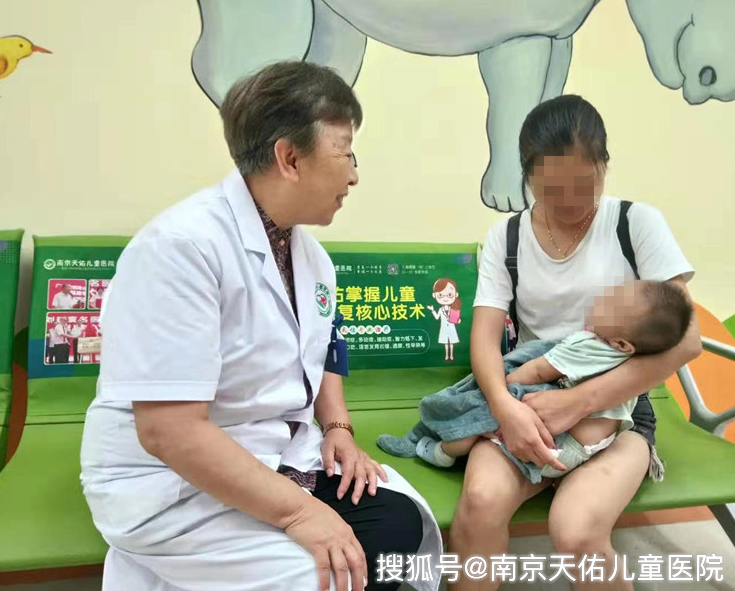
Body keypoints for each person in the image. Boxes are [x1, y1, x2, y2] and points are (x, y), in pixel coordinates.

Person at [80, 61, 441, 591]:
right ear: (289, 158)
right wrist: (300, 513)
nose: (354, 175)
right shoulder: (180, 249)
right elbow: (168, 430)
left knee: (396, 525)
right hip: (174, 482)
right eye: (346, 152)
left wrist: (337, 429)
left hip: (274, 453)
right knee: (338, 572)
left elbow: (325, 345)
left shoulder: (310, 257)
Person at [448, 95, 701, 591]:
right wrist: (504, 407)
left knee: (577, 531)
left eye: (584, 183)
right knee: (480, 503)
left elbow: (687, 340)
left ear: (604, 164)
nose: (569, 201)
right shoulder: (507, 237)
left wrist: (579, 401)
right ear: (527, 176)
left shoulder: (635, 223)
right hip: (527, 402)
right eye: (550, 188)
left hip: (617, 413)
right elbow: (485, 338)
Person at [397, 280, 693, 481]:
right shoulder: (634, 361)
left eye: (610, 305)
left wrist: (504, 387)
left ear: (622, 343)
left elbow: (537, 371)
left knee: (478, 421)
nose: (601, 301)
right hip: (592, 448)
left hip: (554, 449)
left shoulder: (587, 346)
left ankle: (440, 452)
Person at [426, 278, 462, 361]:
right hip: (444, 328)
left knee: (451, 343)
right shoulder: (440, 309)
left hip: (451, 328)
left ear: (456, 294)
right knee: (445, 343)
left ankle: (451, 355)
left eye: (449, 295)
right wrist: (432, 310)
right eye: (440, 295)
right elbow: (437, 317)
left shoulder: (453, 309)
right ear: (434, 295)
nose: (445, 298)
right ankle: (446, 356)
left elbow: (457, 320)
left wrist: (458, 320)